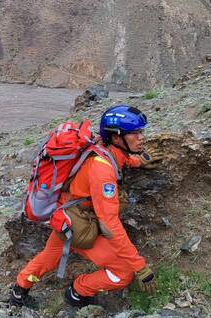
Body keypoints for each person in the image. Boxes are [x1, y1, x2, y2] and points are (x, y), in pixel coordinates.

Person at [10, 106, 162, 307]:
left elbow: (118, 158)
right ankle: (78, 291)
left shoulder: (101, 148)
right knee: (123, 272)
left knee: (49, 257)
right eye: (135, 133)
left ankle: (19, 290)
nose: (141, 137)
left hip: (66, 216)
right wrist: (140, 267)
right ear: (116, 138)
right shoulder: (102, 172)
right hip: (79, 224)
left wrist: (137, 162)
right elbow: (109, 225)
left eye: (141, 132)